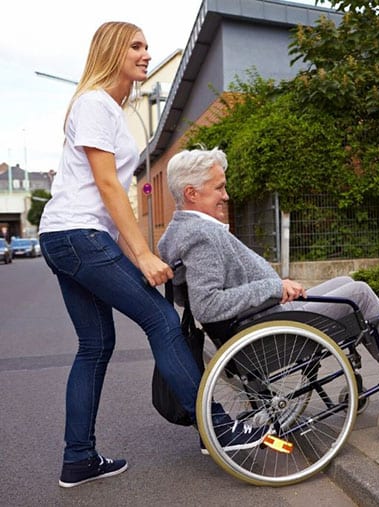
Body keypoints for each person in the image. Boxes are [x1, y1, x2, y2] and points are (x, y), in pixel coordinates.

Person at [38, 22, 264, 489]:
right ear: (112, 51)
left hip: (68, 236)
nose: (146, 54)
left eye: (146, 46)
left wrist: (139, 251)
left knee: (95, 346)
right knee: (161, 320)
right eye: (136, 47)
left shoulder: (108, 109)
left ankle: (78, 458)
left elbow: (106, 202)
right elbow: (106, 188)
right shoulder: (97, 103)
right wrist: (141, 255)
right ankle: (217, 430)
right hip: (78, 236)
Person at [157, 148, 379, 395]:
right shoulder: (201, 237)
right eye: (219, 187)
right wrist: (274, 289)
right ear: (191, 193)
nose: (226, 195)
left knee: (347, 282)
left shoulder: (186, 231)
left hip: (266, 319)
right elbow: (207, 305)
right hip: (267, 329)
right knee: (358, 293)